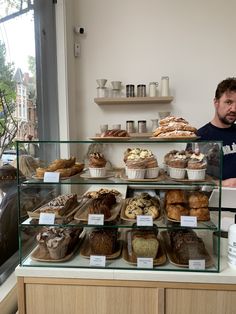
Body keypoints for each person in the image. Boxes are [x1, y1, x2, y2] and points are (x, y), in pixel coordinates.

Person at [197, 77, 236, 187]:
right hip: (214, 202)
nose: (234, 109)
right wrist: (223, 184)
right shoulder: (200, 137)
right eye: (229, 102)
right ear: (216, 102)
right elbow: (194, 182)